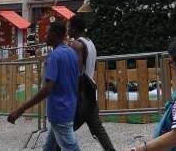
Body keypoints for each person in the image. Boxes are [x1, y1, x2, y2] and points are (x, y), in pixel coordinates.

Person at [8, 21, 82, 151]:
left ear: (54, 34)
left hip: (59, 111)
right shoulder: (72, 53)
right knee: (48, 147)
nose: (44, 37)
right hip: (68, 108)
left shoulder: (54, 57)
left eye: (46, 33)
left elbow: (48, 88)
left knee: (71, 148)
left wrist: (21, 109)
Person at [67, 14, 116, 151]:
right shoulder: (89, 42)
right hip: (89, 92)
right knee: (98, 130)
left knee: (62, 129)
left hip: (79, 94)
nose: (68, 30)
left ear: (75, 29)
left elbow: (76, 72)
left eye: (69, 28)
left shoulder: (76, 44)